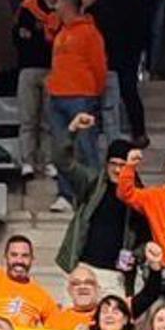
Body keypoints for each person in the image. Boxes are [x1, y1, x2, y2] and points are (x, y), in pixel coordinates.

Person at [47, 0, 109, 215]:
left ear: (67, 4)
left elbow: (99, 66)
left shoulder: (90, 33)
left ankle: (96, 194)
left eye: (59, 0)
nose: (55, 4)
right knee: (61, 147)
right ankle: (65, 195)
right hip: (57, 96)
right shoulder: (61, 32)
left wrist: (94, 92)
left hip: (81, 96)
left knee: (86, 146)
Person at [54, 119, 142, 279]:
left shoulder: (140, 196)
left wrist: (136, 257)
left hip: (116, 275)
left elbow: (146, 238)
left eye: (122, 165)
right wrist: (72, 130)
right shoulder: (92, 181)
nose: (117, 170)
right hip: (84, 268)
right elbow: (63, 161)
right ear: (106, 163)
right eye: (113, 164)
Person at [86, 0, 149, 144]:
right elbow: (142, 28)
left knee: (105, 99)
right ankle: (139, 132)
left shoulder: (95, 8)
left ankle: (103, 134)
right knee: (129, 93)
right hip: (130, 54)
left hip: (108, 57)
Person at [14, 0, 62, 179]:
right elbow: (20, 37)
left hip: (55, 70)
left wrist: (35, 37)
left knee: (49, 121)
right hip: (29, 69)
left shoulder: (64, 9)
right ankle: (28, 162)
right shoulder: (27, 8)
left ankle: (48, 161)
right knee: (28, 119)